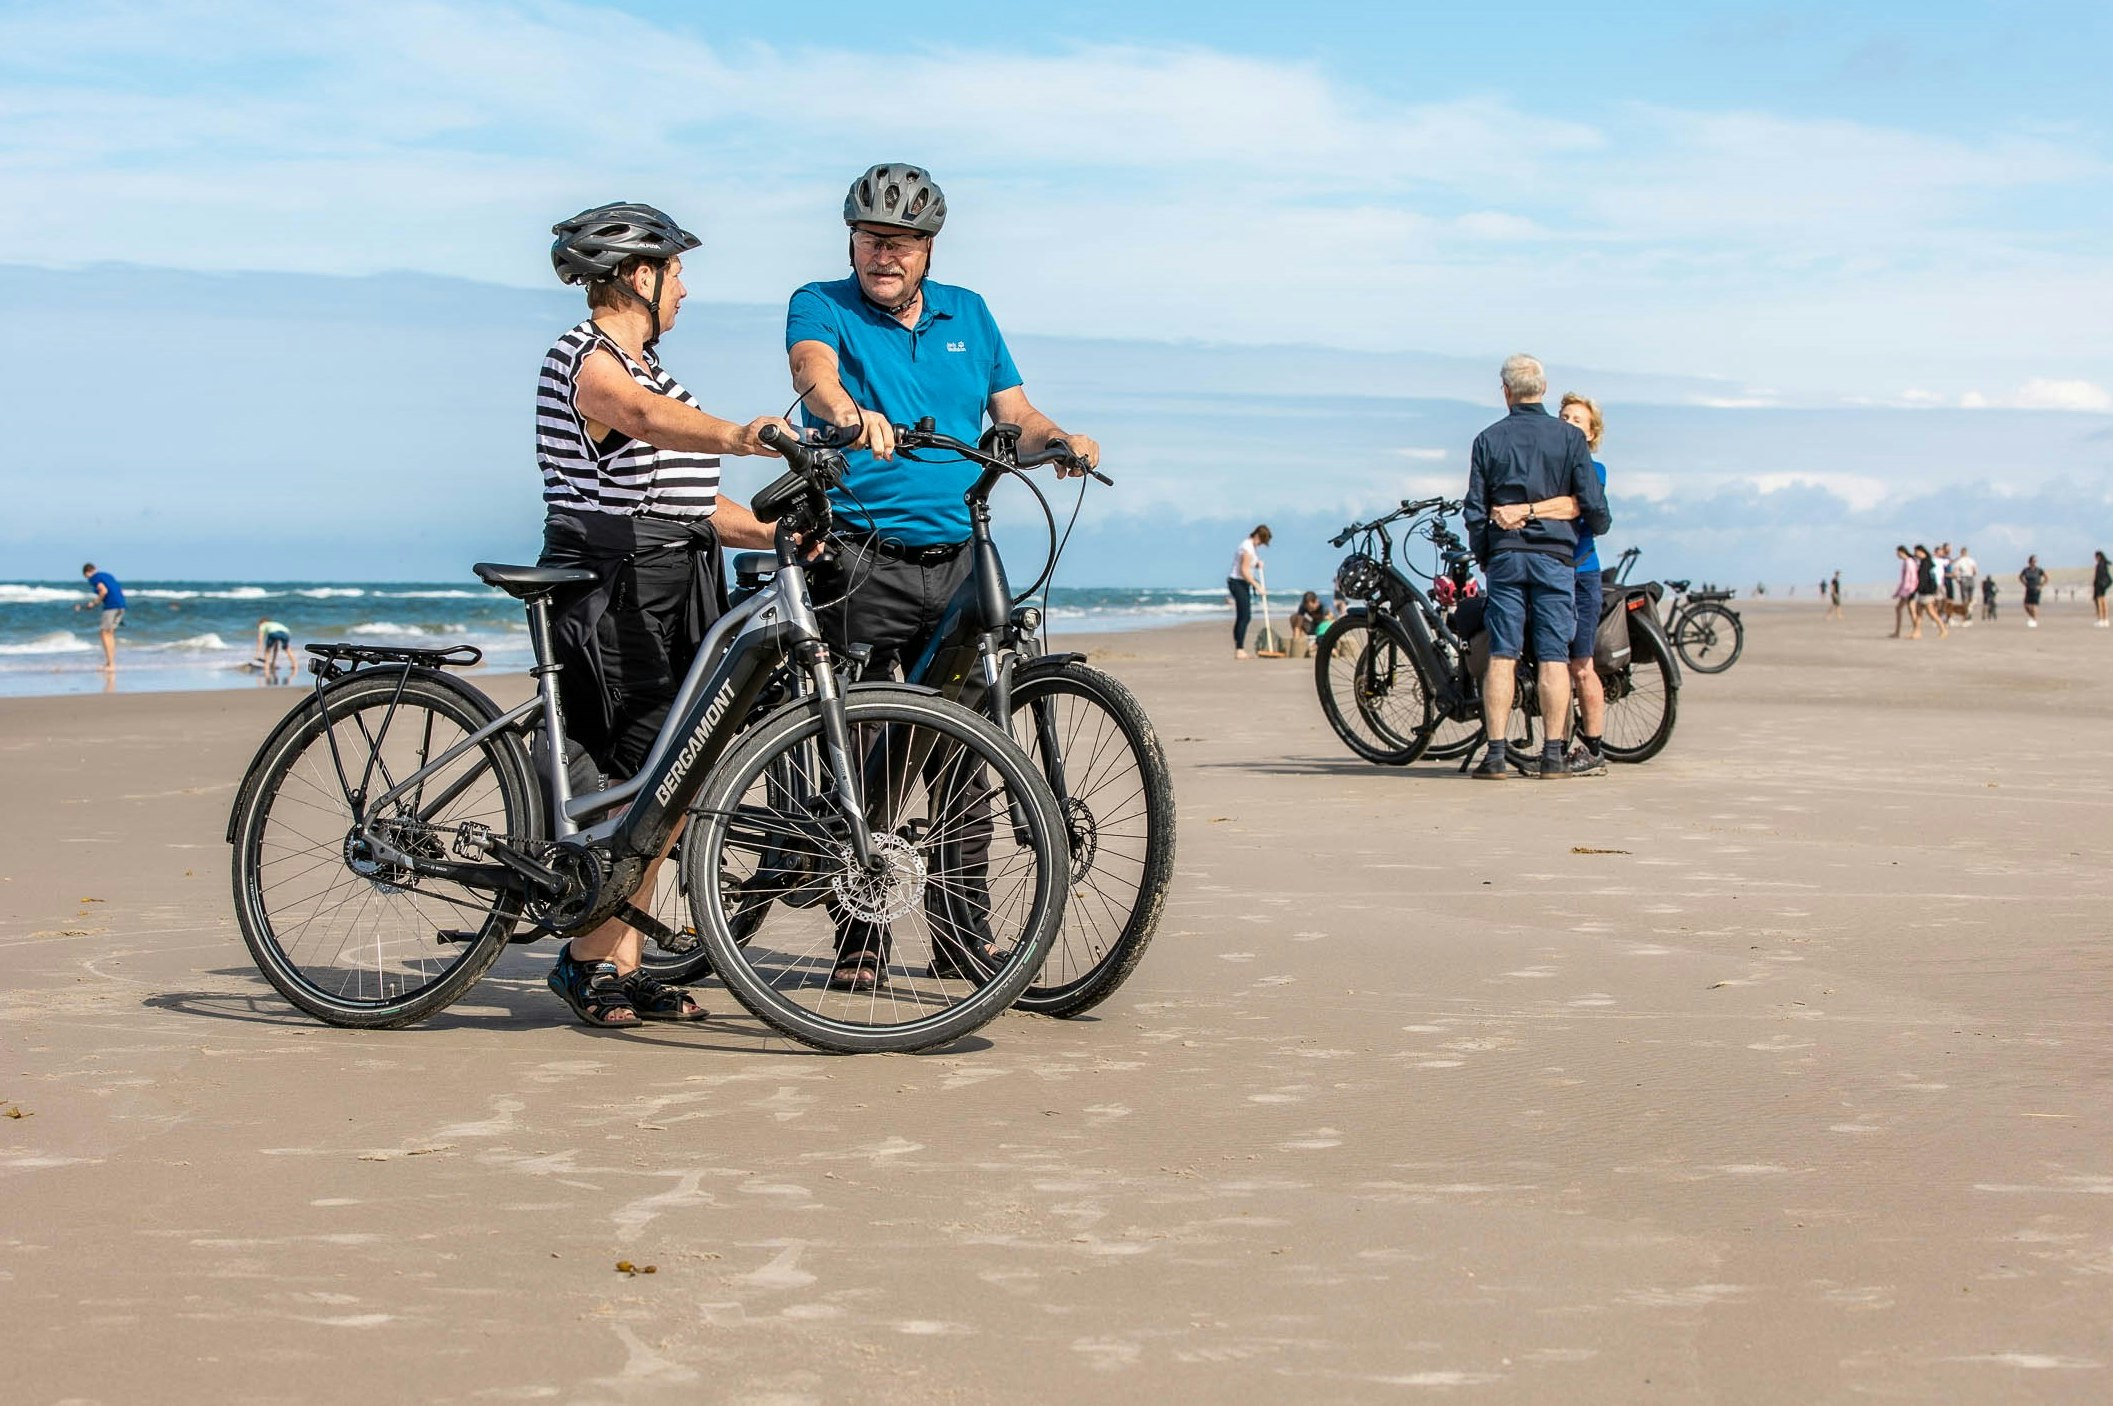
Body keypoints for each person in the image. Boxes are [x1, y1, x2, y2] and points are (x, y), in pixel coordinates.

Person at [784, 162, 1099, 992]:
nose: (885, 255)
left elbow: (1015, 416)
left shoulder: (973, 314)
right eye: (872, 239)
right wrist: (849, 416)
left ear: (928, 248)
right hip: (859, 554)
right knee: (857, 748)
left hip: (959, 555)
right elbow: (812, 377)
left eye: (902, 243)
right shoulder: (820, 302)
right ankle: (860, 934)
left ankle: (964, 941)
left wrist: (1057, 439)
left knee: (963, 755)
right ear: (852, 239)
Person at [535, 200, 795, 1028]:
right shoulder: (586, 359)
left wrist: (780, 530)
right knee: (632, 775)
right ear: (640, 275)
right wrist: (745, 434)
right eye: (677, 270)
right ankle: (585, 961)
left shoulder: (655, 372)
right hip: (613, 580)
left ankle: (624, 958)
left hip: (673, 573)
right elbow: (644, 422)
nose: (686, 287)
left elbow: (691, 502)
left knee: (670, 780)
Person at [1464, 355, 1610, 780]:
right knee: (1553, 656)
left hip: (1506, 556)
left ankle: (1495, 754)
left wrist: (1486, 554)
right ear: (1543, 391)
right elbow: (1595, 510)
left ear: (1506, 392)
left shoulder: (1488, 439)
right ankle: (1552, 754)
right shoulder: (1569, 439)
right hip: (1556, 558)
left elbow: (1474, 510)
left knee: (1503, 655)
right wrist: (1587, 523)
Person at [1556, 392, 1610, 776]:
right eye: (1564, 417)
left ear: (1591, 434)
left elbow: (1585, 511)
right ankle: (1554, 746)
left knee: (1580, 665)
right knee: (1551, 664)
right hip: (1548, 572)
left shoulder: (1595, 470)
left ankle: (1593, 749)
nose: (1569, 423)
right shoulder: (1543, 466)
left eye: (1578, 420)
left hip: (1581, 573)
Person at [1227, 526, 1270, 658]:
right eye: (1261, 542)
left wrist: (1257, 564)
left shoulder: (1252, 547)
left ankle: (1239, 647)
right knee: (1245, 616)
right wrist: (1258, 586)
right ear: (1257, 536)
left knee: (1243, 616)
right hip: (1237, 582)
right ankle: (1239, 649)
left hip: (1242, 583)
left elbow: (1251, 564)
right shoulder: (1247, 547)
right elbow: (1244, 571)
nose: (1261, 545)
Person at [78, 563, 125, 670]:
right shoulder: (108, 575)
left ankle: (111, 664)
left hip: (111, 606)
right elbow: (120, 590)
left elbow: (103, 591)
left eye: (86, 577)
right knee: (110, 634)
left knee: (104, 633)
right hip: (121, 605)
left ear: (87, 573)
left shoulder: (94, 578)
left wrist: (94, 603)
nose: (88, 579)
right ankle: (110, 663)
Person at [1909, 544, 1947, 639]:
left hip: (1926, 592)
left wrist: (1917, 589)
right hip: (1924, 592)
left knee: (1931, 612)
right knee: (1920, 613)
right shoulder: (1926, 562)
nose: (1916, 554)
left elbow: (1923, 579)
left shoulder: (1926, 563)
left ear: (1921, 552)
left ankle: (1943, 630)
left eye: (1916, 552)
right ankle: (1917, 632)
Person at [1288, 590, 1332, 658]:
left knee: (1326, 623)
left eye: (1311, 607)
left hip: (1323, 629)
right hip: (1313, 627)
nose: (1309, 610)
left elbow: (1331, 621)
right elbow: (1298, 624)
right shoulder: (1303, 606)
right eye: (1307, 608)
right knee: (1294, 617)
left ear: (1316, 602)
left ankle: (1319, 644)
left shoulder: (1324, 606)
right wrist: (1296, 642)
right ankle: (1302, 641)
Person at [2019, 555, 2047, 627]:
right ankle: (2032, 618)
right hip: (2028, 589)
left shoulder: (2039, 570)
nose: (2034, 562)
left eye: (2035, 561)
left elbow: (2046, 578)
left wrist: (2041, 586)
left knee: (2033, 606)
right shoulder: (2026, 570)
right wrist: (2024, 583)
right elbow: (2020, 577)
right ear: (2029, 562)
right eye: (2033, 561)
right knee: (2026, 606)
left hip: (2036, 590)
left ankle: (2034, 620)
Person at [1952, 545, 1977, 622]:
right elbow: (1975, 571)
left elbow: (1955, 571)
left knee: (1965, 599)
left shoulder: (1960, 561)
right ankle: (1968, 615)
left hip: (1964, 578)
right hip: (1970, 578)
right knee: (1970, 599)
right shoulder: (1971, 560)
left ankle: (1966, 615)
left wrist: (1958, 579)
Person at [2093, 551, 2110, 628]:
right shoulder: (2105, 564)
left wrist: (2095, 585)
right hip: (2104, 586)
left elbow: (2098, 577)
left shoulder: (2100, 565)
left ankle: (2101, 619)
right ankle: (2105, 619)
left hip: (2099, 586)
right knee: (2103, 601)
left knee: (2100, 602)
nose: (2095, 558)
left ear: (2098, 557)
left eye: (2095, 557)